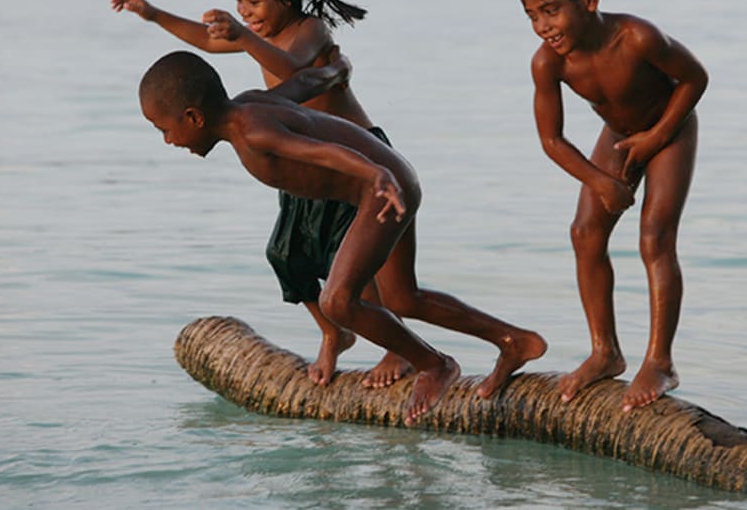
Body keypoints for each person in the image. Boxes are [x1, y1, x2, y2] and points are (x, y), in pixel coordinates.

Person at [138, 50, 547, 424]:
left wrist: (375, 176)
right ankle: (514, 341)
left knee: (338, 300)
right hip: (391, 180)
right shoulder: (247, 104)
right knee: (403, 298)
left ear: (194, 117)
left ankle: (434, 365)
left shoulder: (252, 133)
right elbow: (299, 86)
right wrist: (336, 71)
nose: (168, 141)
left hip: (378, 189)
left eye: (164, 129)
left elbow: (318, 152)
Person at [111, 0, 401, 389]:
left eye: (254, 1)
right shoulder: (257, 36)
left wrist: (245, 37)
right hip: (295, 157)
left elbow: (294, 74)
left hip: (354, 154)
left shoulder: (309, 31)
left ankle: (393, 347)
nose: (245, 12)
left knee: (351, 256)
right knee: (288, 254)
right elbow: (206, 43)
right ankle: (334, 332)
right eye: (239, 2)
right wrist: (153, 14)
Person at [521, 0, 708, 411]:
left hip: (671, 127)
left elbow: (695, 79)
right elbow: (552, 140)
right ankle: (605, 352)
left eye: (551, 10)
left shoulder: (637, 37)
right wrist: (601, 181)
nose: (543, 26)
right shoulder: (549, 62)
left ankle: (660, 361)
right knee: (584, 233)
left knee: (654, 237)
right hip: (620, 134)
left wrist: (656, 137)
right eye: (531, 16)